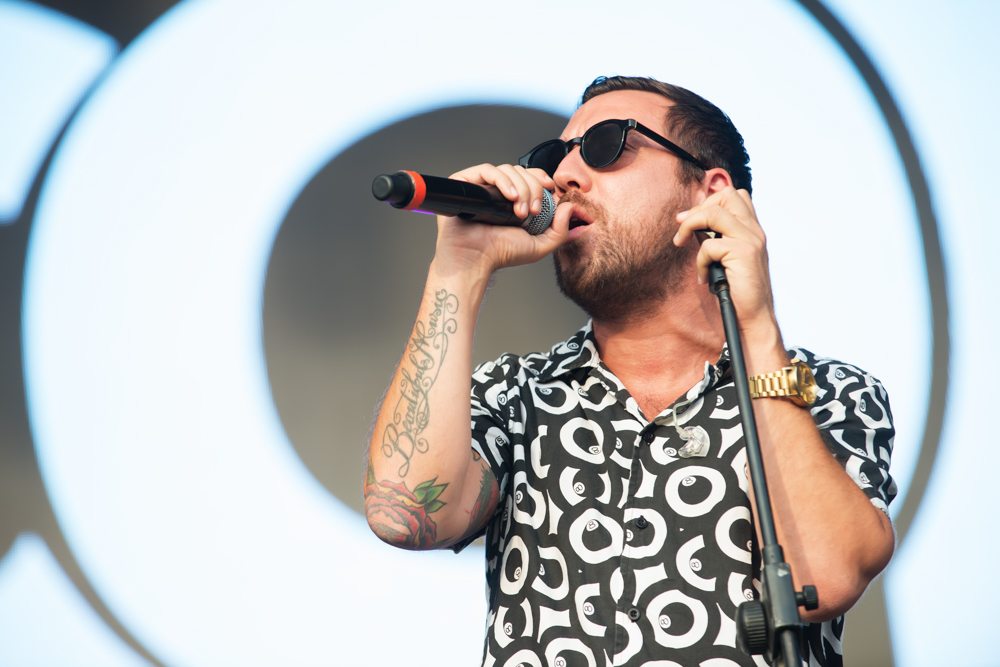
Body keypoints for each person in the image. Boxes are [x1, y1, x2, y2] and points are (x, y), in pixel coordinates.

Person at [363, 75, 895, 666]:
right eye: (555, 156)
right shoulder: (516, 393)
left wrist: (758, 332)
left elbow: (824, 578)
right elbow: (403, 513)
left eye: (606, 145)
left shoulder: (828, 392)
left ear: (711, 193)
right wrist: (459, 267)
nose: (564, 175)